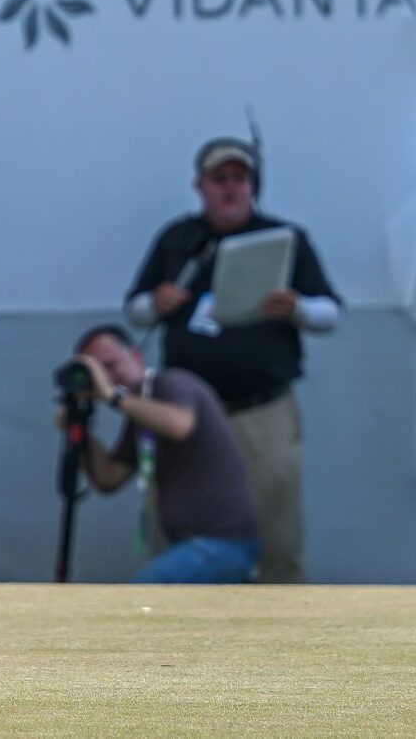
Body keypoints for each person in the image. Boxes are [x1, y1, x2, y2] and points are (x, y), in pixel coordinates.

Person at [122, 136, 342, 583]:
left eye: (239, 179)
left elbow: (330, 313)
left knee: (274, 529)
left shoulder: (285, 239)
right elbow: (134, 309)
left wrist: (297, 308)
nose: (230, 188)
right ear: (199, 186)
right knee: (177, 525)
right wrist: (156, 303)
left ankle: (280, 636)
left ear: (253, 186)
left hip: (260, 411)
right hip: (187, 418)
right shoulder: (178, 239)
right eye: (218, 179)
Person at [69, 325, 263, 584]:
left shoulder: (171, 383)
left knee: (139, 601)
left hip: (222, 543)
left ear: (137, 357)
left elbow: (179, 425)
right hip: (193, 545)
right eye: (97, 372)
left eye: (111, 365)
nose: (106, 377)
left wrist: (111, 395)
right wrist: (79, 428)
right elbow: (108, 478)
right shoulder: (140, 412)